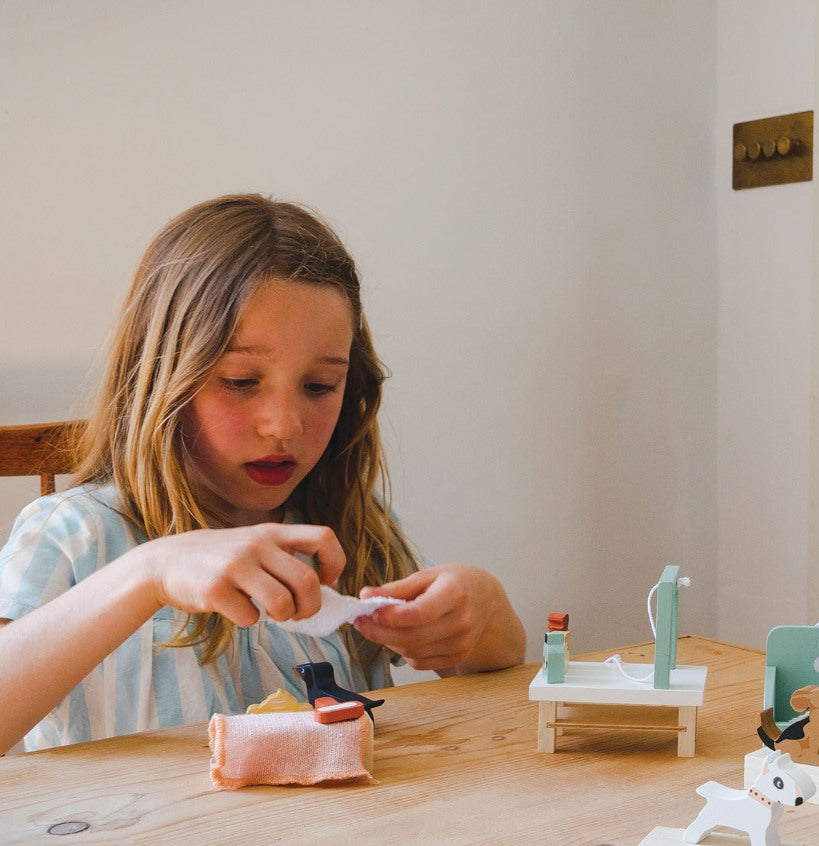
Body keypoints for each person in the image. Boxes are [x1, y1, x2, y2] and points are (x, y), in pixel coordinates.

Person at [0, 194, 527, 752]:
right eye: (241, 381)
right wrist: (147, 573)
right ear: (159, 376)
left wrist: (486, 614)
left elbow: (490, 678)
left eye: (320, 386)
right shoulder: (74, 534)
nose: (285, 426)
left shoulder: (343, 526)